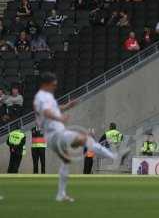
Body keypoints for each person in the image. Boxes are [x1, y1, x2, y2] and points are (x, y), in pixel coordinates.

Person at [33, 72, 126, 202]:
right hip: (55, 134)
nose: (55, 87)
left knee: (66, 161)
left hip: (55, 135)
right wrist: (59, 117)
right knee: (86, 139)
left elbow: (53, 108)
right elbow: (46, 112)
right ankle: (115, 157)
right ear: (45, 84)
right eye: (53, 84)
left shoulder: (47, 97)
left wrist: (66, 106)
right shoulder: (41, 97)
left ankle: (61, 194)